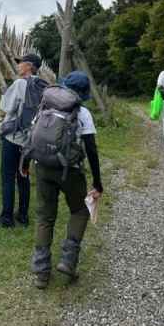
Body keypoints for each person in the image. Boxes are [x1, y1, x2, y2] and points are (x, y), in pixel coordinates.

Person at [30, 71, 103, 289]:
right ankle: (68, 261)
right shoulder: (83, 113)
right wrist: (97, 182)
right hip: (70, 171)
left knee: (45, 216)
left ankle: (41, 272)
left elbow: (33, 135)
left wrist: (25, 163)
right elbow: (90, 148)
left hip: (42, 166)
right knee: (80, 211)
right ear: (82, 93)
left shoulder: (45, 106)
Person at [0, 53, 46, 228]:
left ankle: (6, 217)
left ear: (29, 66)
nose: (18, 66)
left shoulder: (20, 83)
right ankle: (22, 215)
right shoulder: (42, 86)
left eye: (20, 63)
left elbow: (5, 107)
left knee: (7, 176)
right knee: (23, 176)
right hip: (30, 140)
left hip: (14, 138)